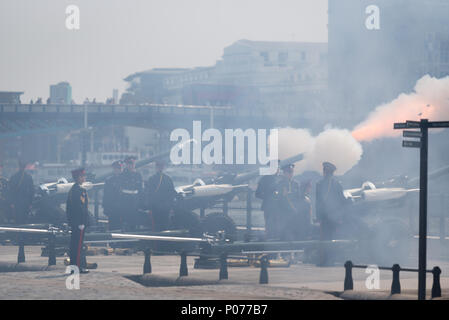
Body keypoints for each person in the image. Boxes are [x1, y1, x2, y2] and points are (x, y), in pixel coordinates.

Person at [315, 161, 350, 265]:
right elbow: (342, 201)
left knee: (324, 239)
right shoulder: (337, 184)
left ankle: (323, 260)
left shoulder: (319, 184)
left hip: (325, 217)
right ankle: (331, 260)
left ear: (325, 172)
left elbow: (318, 203)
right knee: (333, 238)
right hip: (334, 217)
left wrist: (318, 217)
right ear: (332, 173)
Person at [66, 168, 90, 273]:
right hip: (79, 222)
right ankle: (78, 267)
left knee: (74, 245)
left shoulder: (73, 189)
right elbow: (80, 208)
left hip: (75, 222)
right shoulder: (80, 190)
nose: (84, 178)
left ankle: (73, 266)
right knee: (78, 246)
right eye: (82, 176)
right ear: (78, 178)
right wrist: (82, 222)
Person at [145, 159, 176, 231]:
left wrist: (170, 206)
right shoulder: (166, 179)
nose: (160, 167)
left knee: (162, 226)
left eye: (161, 166)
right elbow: (149, 194)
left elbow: (171, 194)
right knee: (159, 226)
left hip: (162, 208)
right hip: (157, 208)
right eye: (158, 166)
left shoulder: (166, 179)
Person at [275, 163, 302, 241]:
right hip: (283, 213)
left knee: (294, 232)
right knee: (283, 233)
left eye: (292, 172)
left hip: (294, 212)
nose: (291, 174)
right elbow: (278, 200)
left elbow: (298, 198)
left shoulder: (296, 184)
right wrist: (282, 195)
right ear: (284, 173)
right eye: (289, 172)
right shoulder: (280, 184)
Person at [255, 160, 280, 240]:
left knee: (279, 228)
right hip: (269, 207)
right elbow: (258, 193)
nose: (277, 169)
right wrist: (269, 196)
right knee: (270, 228)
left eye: (278, 167)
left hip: (279, 207)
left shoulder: (280, 179)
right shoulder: (264, 179)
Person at [6, 160, 34, 224]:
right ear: (25, 167)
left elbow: (10, 191)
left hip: (16, 201)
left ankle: (18, 231)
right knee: (25, 218)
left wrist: (11, 202)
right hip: (26, 201)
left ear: (19, 166)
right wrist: (30, 203)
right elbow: (32, 191)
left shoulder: (13, 177)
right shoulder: (28, 177)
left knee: (17, 219)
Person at [120, 156, 143, 230]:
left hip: (135, 201)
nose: (131, 165)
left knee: (134, 222)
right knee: (125, 222)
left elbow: (140, 190)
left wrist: (141, 203)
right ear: (126, 164)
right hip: (125, 201)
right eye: (129, 163)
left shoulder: (138, 175)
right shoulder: (122, 175)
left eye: (132, 163)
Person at [103, 161, 123, 230]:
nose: (118, 170)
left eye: (119, 168)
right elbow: (106, 196)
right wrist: (105, 208)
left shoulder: (125, 179)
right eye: (116, 168)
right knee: (112, 226)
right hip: (112, 208)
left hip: (122, 207)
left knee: (122, 226)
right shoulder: (109, 180)